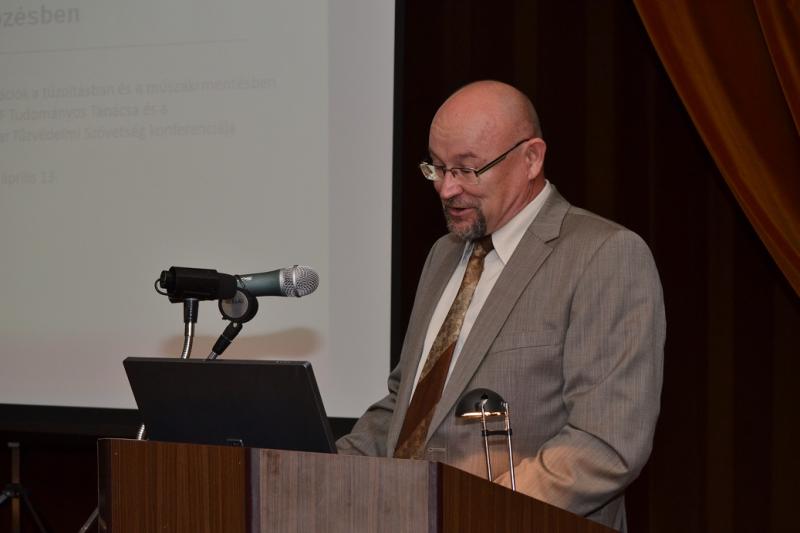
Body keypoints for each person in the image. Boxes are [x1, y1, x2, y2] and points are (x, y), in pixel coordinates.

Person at [336, 80, 665, 531]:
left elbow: (605, 444)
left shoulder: (603, 255)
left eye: (468, 169)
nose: (447, 189)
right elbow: (407, 408)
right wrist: (322, 471)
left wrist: (470, 510)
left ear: (531, 158)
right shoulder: (443, 255)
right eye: (437, 168)